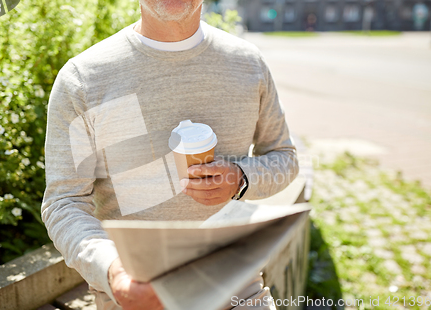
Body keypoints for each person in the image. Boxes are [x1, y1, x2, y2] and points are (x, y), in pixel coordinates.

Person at [41, 0, 299, 309]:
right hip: (135, 297)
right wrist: (113, 271)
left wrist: (241, 178)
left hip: (239, 294)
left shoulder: (248, 63)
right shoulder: (83, 78)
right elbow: (63, 201)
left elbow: (285, 156)